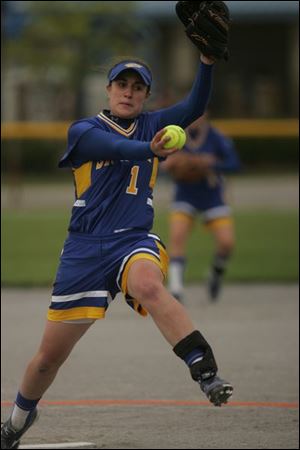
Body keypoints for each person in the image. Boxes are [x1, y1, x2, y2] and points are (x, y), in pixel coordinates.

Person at [1, 55, 234, 449]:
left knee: (148, 283)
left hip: (132, 239)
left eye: (137, 86)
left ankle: (204, 369)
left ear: (146, 94)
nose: (128, 92)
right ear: (108, 90)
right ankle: (16, 421)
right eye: (121, 84)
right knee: (47, 360)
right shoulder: (84, 129)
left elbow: (194, 106)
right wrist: (151, 149)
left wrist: (207, 62)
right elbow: (112, 146)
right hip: (84, 251)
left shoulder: (154, 123)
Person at [162, 115, 241, 302]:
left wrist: (211, 163)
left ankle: (216, 272)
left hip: (212, 195)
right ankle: (176, 289)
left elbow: (235, 165)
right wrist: (168, 164)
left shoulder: (216, 136)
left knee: (227, 243)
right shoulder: (176, 135)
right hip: (185, 195)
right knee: (177, 236)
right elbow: (159, 165)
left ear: (206, 114)